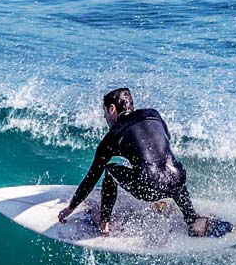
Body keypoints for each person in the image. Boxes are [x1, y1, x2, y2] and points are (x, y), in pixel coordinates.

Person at [57, 88, 211, 237]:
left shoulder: (113, 135)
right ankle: (192, 219)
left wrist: (71, 207)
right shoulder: (153, 114)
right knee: (167, 168)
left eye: (104, 112)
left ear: (112, 109)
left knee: (110, 170)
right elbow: (165, 139)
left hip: (149, 188)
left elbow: (92, 177)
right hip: (178, 179)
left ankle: (104, 222)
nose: (104, 117)